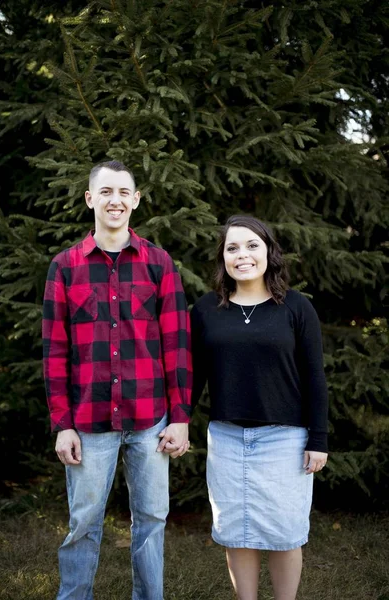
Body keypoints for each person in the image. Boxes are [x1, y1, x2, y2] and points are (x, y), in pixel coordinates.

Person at [42, 160, 192, 600]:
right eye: (106, 192)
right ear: (90, 199)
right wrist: (62, 423)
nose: (115, 200)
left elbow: (178, 347)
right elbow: (54, 352)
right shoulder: (65, 267)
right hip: (88, 422)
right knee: (84, 522)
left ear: (136, 200)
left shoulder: (159, 264)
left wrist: (180, 417)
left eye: (124, 192)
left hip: (150, 419)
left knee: (151, 519)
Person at [191, 214, 328, 600]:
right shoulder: (205, 310)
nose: (243, 255)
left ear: (269, 251)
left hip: (285, 440)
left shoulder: (297, 308)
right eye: (232, 248)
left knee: (285, 535)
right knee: (238, 532)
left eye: (252, 245)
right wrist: (179, 421)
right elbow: (194, 375)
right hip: (227, 438)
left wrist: (318, 439)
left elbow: (315, 377)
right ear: (223, 258)